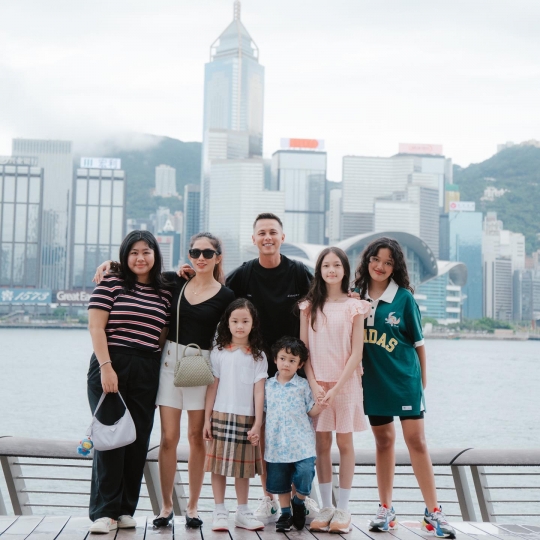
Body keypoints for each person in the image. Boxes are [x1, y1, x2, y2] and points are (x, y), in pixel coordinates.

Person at [93, 232, 235, 529]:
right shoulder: (174, 282)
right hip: (164, 363)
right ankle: (161, 506)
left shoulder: (223, 295)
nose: (201, 258)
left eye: (208, 253)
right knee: (165, 438)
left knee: (190, 437)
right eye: (195, 252)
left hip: (196, 365)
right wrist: (110, 264)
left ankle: (191, 507)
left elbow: (232, 334)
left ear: (218, 257)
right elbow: (136, 269)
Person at [180, 213, 314, 523]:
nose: (268, 237)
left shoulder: (298, 273)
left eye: (273, 232)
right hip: (251, 364)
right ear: (253, 239)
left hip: (289, 368)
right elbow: (214, 291)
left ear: (282, 237)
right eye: (261, 233)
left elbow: (324, 295)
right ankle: (269, 500)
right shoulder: (243, 275)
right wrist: (186, 275)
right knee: (261, 434)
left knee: (295, 432)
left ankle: (301, 499)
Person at [353, 237, 456, 538]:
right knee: (383, 443)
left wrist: (421, 384)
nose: (380, 266)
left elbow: (420, 345)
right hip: (373, 384)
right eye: (376, 259)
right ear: (367, 260)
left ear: (395, 267)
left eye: (388, 262)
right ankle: (386, 509)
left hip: (405, 382)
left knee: (417, 442)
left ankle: (433, 512)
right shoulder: (356, 297)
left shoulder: (405, 299)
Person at [87, 231, 172, 533]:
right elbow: (97, 327)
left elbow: (161, 335)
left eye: (146, 252)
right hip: (111, 362)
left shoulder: (165, 291)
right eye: (133, 252)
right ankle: (104, 512)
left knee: (136, 439)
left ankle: (124, 510)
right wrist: (107, 367)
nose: (140, 258)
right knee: (111, 439)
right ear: (124, 256)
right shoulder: (111, 282)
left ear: (155, 255)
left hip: (147, 366)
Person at [299, 247, 370, 534]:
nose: (331, 270)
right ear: (319, 270)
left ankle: (343, 508)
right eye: (326, 265)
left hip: (346, 383)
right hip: (317, 384)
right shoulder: (308, 306)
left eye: (336, 265)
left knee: (345, 444)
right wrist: (315, 385)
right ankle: (326, 506)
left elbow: (357, 352)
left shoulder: (356, 306)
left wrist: (337, 387)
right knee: (322, 446)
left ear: (344, 270)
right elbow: (303, 350)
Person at [203, 298, 268, 532]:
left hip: (247, 418)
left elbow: (259, 391)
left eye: (245, 321)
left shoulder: (259, 356)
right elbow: (212, 386)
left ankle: (243, 511)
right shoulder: (218, 352)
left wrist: (258, 423)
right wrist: (206, 419)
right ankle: (219, 510)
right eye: (235, 321)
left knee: (244, 469)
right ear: (227, 323)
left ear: (253, 324)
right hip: (220, 414)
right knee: (218, 467)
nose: (240, 326)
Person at [264, 336, 323, 533]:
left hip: (301, 443)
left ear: (300, 364)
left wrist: (320, 407)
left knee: (305, 473)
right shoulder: (267, 386)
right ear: (275, 360)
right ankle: (285, 512)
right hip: (276, 444)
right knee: (281, 483)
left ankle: (299, 501)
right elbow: (262, 412)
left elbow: (310, 411)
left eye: (292, 360)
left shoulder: (303, 386)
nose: (286, 364)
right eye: (282, 358)